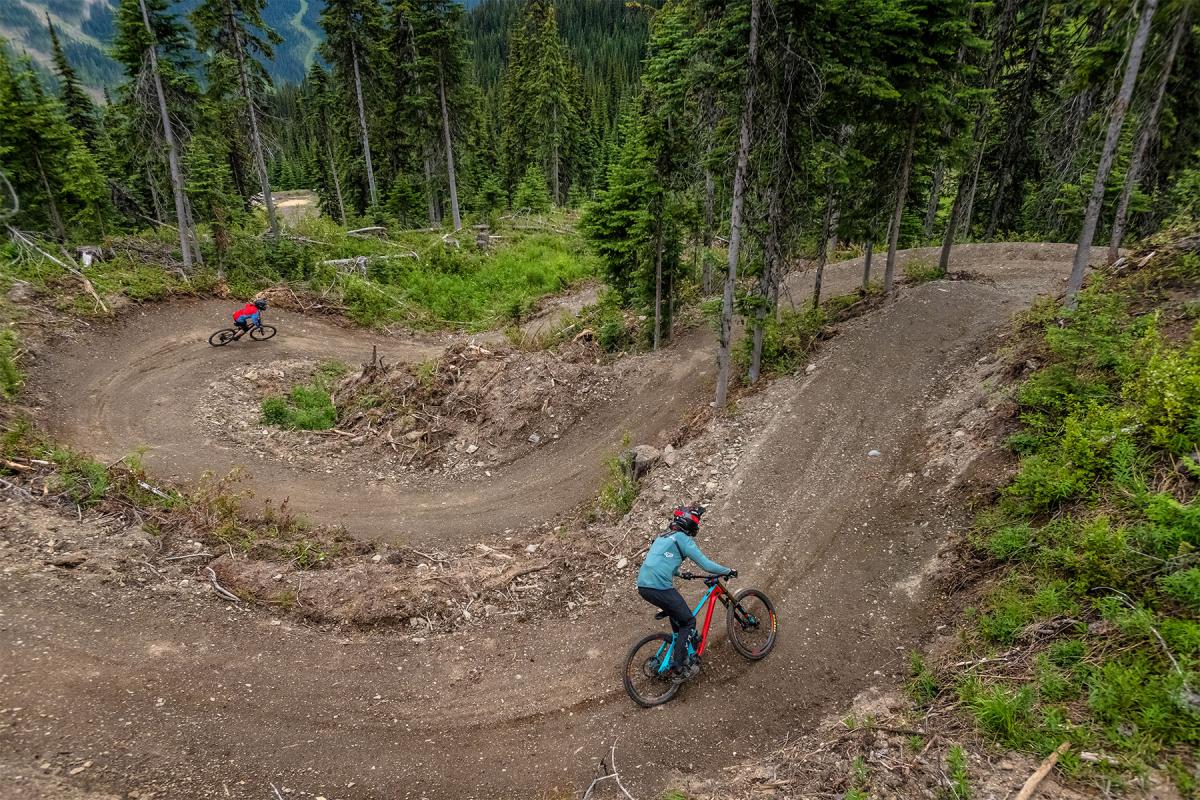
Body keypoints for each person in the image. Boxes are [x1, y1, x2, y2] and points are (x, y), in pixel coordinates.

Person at [636, 505, 736, 682]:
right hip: (659, 587)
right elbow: (706, 565)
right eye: (696, 523)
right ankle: (678, 668)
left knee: (678, 617)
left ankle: (682, 646)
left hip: (644, 587)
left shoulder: (662, 537)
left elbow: (659, 562)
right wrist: (728, 570)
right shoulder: (682, 539)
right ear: (690, 524)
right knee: (689, 622)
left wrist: (680, 574)